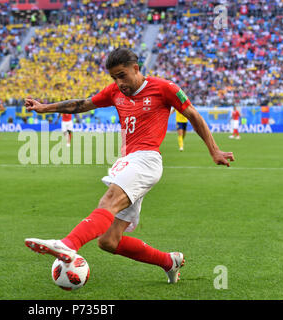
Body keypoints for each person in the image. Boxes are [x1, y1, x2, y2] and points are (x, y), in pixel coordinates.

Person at [24, 48, 234, 284]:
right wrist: (44, 107)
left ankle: (68, 244)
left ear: (136, 68)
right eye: (114, 77)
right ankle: (169, 261)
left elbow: (193, 114)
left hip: (146, 160)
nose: (119, 82)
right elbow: (83, 104)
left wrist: (214, 149)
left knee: (108, 201)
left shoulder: (165, 88)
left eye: (122, 75)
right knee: (108, 241)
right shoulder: (115, 91)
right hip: (129, 162)